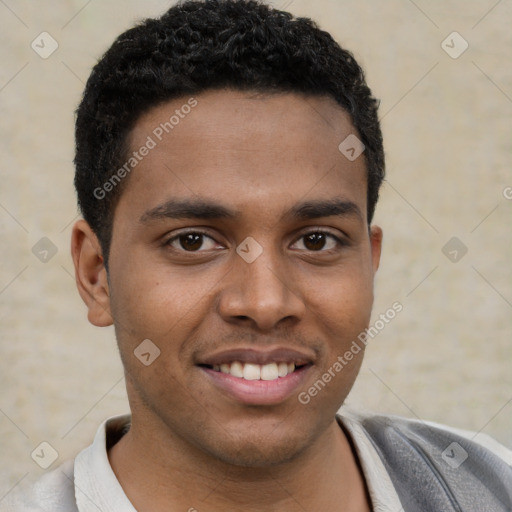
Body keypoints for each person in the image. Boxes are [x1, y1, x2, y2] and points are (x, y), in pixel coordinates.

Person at [3, 1, 511, 510]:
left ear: (370, 262)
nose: (266, 302)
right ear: (96, 276)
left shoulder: (488, 484)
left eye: (317, 240)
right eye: (193, 241)